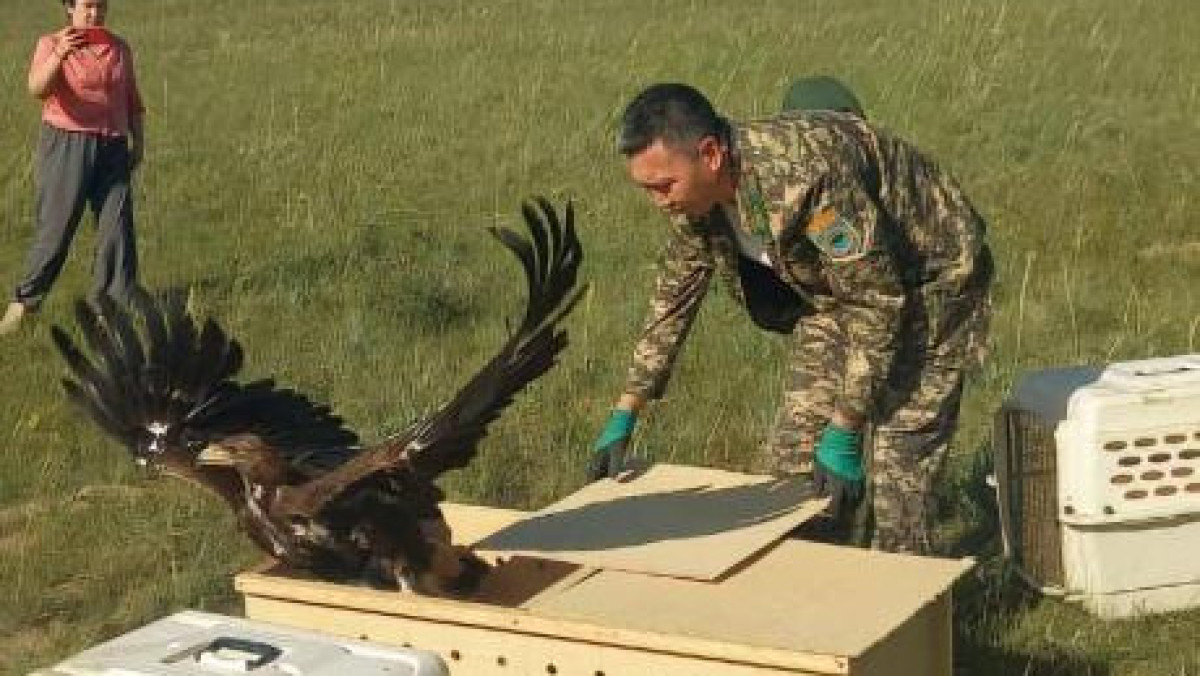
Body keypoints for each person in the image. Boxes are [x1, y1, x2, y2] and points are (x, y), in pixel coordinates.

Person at [588, 82, 992, 555]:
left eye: (663, 185)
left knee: (898, 475)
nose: (659, 201)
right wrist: (626, 409)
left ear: (711, 154)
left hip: (932, 284)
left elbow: (878, 301)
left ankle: (910, 611)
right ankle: (813, 597)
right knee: (793, 470)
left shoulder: (807, 181)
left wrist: (845, 426)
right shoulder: (695, 198)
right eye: (647, 189)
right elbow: (675, 294)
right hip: (841, 290)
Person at [1, 0, 146, 336]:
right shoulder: (51, 43)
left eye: (100, 6)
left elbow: (131, 99)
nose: (94, 14)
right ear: (70, 8)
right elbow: (37, 88)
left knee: (117, 228)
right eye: (86, 7)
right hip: (67, 144)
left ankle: (112, 308)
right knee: (56, 228)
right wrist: (60, 55)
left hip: (112, 146)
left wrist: (138, 142)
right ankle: (23, 305)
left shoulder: (119, 47)